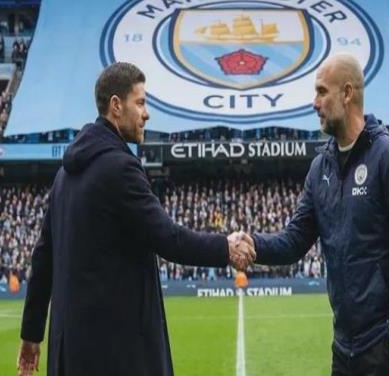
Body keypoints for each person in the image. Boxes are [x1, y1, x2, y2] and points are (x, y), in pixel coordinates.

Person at [17, 62, 255, 376]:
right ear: (116, 106)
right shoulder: (120, 168)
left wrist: (31, 334)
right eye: (140, 103)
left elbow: (43, 257)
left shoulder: (64, 175)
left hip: (70, 352)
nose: (147, 114)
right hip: (116, 352)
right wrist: (225, 247)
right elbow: (167, 238)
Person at [246, 54, 389, 375]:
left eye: (321, 91)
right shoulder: (321, 168)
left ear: (347, 93)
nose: (314, 103)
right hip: (343, 345)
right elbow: (294, 241)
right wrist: (251, 245)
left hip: (383, 344)